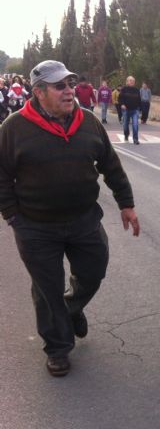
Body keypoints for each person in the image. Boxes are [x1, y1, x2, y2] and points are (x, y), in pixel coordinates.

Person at [0, 60, 140, 377]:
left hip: (84, 220)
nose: (69, 90)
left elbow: (111, 165)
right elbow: (2, 177)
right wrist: (13, 217)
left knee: (93, 272)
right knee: (47, 288)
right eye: (60, 85)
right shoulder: (14, 128)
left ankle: (71, 307)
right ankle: (58, 348)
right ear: (38, 92)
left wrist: (126, 204)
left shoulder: (88, 122)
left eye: (70, 84)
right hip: (35, 227)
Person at [119, 76, 142, 145]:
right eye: (130, 80)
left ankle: (135, 139)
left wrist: (139, 109)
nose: (132, 82)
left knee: (135, 124)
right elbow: (120, 98)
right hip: (126, 110)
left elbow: (139, 100)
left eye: (133, 81)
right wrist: (122, 104)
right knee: (125, 125)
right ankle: (126, 134)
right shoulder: (124, 89)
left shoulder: (137, 90)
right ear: (127, 82)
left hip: (135, 110)